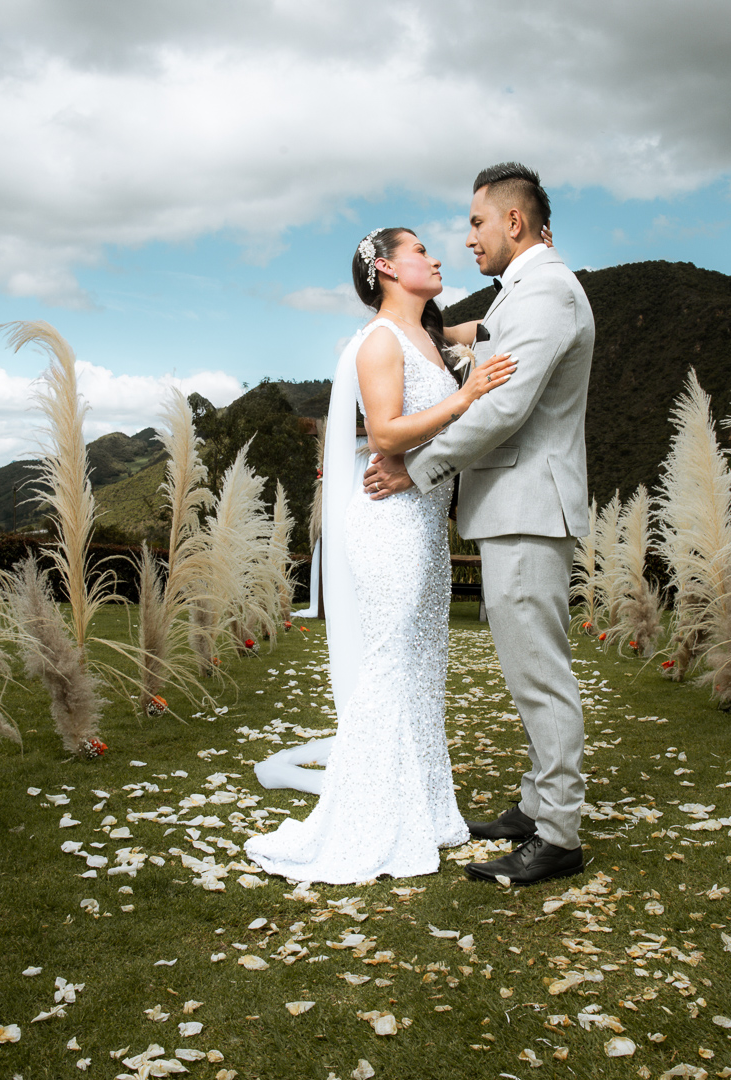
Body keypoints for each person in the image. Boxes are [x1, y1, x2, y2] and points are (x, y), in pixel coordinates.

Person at [244, 227, 516, 884]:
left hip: (424, 524)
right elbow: (386, 433)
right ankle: (366, 823)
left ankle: (420, 809)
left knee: (424, 668)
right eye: (421, 250)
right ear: (387, 268)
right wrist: (467, 395)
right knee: (391, 665)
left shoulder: (431, 335)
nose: (438, 256)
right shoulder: (379, 341)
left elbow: (498, 323)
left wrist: (528, 276)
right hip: (388, 522)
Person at [363, 162, 594, 887]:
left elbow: (504, 409)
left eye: (475, 222)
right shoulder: (520, 294)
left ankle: (557, 835)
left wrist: (416, 467)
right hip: (514, 507)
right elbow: (480, 339)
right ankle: (535, 806)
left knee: (539, 675)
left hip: (529, 507)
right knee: (527, 669)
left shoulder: (547, 291)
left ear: (513, 222)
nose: (467, 238)